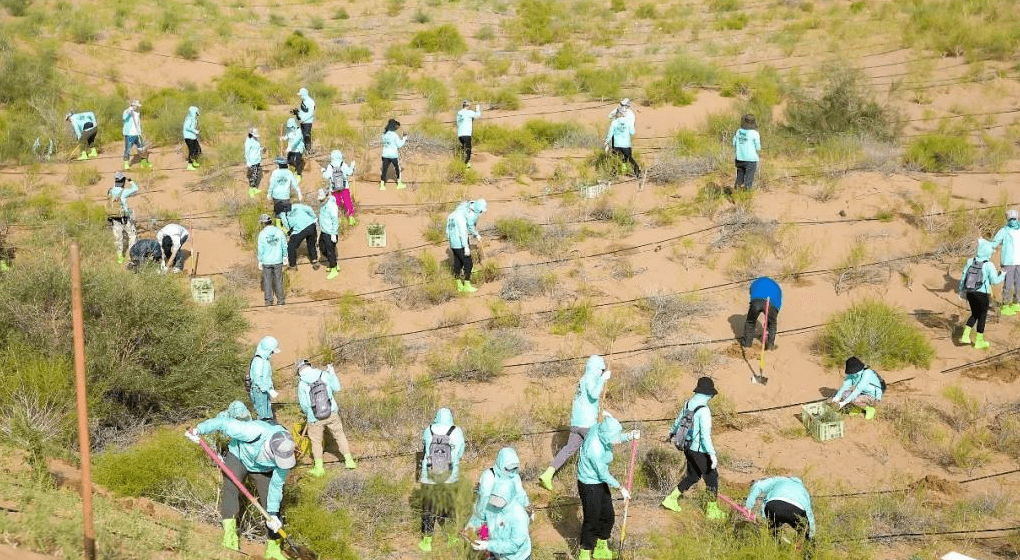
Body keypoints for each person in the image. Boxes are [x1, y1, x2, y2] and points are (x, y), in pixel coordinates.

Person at [186, 417, 295, 560]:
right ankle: (230, 535)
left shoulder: (285, 457)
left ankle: (273, 548)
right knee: (231, 488)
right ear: (271, 450)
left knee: (272, 504)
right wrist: (199, 430)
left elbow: (276, 486)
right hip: (239, 457)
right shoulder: (253, 431)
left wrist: (273, 514)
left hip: (262, 468)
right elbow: (223, 422)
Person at [538, 355, 610, 491]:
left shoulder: (583, 380)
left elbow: (588, 401)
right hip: (587, 424)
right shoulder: (590, 379)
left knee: (568, 450)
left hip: (577, 423)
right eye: (601, 370)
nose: (602, 372)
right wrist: (602, 380)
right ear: (596, 369)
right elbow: (594, 395)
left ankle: (548, 474)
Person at [576, 413, 639, 560]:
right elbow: (603, 474)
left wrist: (629, 436)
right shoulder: (595, 449)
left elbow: (613, 436)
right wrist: (621, 488)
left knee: (608, 515)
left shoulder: (600, 429)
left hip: (599, 481)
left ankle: (601, 549)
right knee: (592, 519)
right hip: (589, 484)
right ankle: (585, 552)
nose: (615, 441)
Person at [661, 377, 725, 520]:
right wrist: (712, 455)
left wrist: (671, 434)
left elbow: (678, 422)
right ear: (709, 394)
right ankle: (712, 511)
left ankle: (670, 499)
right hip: (699, 450)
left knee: (693, 476)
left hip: (687, 447)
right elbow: (705, 437)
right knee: (712, 478)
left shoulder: (688, 403)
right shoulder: (704, 410)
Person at [296, 358, 357, 476]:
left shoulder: (302, 384)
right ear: (310, 366)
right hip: (331, 412)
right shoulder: (323, 374)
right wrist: (332, 373)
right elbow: (337, 388)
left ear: (299, 371)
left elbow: (304, 405)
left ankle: (319, 468)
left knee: (316, 442)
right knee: (340, 436)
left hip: (314, 418)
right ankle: (349, 461)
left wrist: (309, 414)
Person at [418, 407, 465, 552]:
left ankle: (427, 541)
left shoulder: (429, 429)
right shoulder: (457, 431)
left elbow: (424, 448)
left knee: (428, 508)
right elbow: (461, 452)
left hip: (429, 475)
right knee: (449, 507)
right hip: (449, 476)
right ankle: (451, 538)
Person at [466, 447, 529, 536]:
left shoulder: (514, 476)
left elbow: (520, 494)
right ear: (501, 463)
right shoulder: (489, 476)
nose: (510, 472)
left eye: (514, 468)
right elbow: (484, 501)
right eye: (508, 468)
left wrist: (526, 507)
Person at [958, 238, 1006, 349]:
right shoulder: (989, 265)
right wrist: (1002, 274)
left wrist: (961, 290)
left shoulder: (970, 261)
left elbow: (964, 276)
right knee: (982, 316)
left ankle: (965, 336)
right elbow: (995, 281)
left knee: (975, 313)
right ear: (988, 251)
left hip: (970, 292)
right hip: (982, 294)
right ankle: (979, 341)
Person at [470, 479, 532, 560]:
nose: (495, 502)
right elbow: (480, 516)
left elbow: (514, 545)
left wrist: (488, 545)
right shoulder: (489, 502)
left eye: (500, 499)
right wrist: (471, 527)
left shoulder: (519, 516)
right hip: (496, 552)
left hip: (516, 557)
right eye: (494, 497)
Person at [744, 476, 815, 542]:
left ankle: (776, 547)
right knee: (804, 534)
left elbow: (757, 485)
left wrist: (748, 507)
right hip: (796, 509)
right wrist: (811, 534)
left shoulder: (779, 480)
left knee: (774, 532)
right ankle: (802, 551)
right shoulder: (803, 490)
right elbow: (809, 513)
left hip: (774, 505)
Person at [445, 198, 487, 294]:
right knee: (468, 263)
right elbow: (463, 232)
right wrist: (466, 247)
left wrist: (451, 243)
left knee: (457, 263)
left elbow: (447, 232)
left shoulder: (451, 215)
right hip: (460, 244)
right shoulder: (460, 218)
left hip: (453, 244)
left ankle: (458, 284)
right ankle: (467, 285)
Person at [991, 209, 1020, 316]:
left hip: (1019, 261)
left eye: (1014, 218)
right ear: (1007, 219)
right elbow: (994, 243)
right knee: (1008, 284)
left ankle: (1016, 302)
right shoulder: (1003, 231)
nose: (1013, 220)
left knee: (1019, 283)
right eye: (1011, 218)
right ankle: (1005, 305)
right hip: (1008, 261)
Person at [107, 171, 138, 264]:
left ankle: (120, 257)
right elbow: (136, 189)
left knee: (118, 239)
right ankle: (131, 255)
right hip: (125, 218)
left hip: (114, 219)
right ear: (123, 181)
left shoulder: (110, 192)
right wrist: (131, 181)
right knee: (132, 236)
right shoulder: (124, 192)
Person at [742, 276, 781, 350]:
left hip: (756, 301)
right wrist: (772, 317)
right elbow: (778, 305)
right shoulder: (776, 286)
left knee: (750, 322)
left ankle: (747, 344)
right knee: (772, 325)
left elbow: (751, 293)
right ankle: (770, 346)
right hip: (771, 304)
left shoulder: (756, 281)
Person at [247, 336, 281, 421]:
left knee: (268, 415)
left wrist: (270, 389)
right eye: (272, 351)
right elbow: (257, 379)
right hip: (259, 391)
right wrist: (268, 390)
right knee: (262, 416)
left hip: (264, 391)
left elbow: (267, 377)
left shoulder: (265, 360)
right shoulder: (258, 360)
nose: (272, 353)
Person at [257, 214, 287, 306]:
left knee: (267, 281)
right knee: (278, 280)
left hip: (266, 261)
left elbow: (260, 249)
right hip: (278, 260)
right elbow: (284, 245)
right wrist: (285, 256)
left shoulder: (262, 234)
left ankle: (268, 301)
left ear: (263, 223)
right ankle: (280, 300)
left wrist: (260, 260)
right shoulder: (279, 232)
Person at [321, 149, 357, 226]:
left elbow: (326, 176)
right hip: (344, 187)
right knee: (347, 201)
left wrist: (323, 171)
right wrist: (352, 165)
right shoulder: (343, 164)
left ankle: (339, 219)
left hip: (334, 188)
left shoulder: (330, 166)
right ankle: (351, 218)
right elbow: (349, 173)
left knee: (337, 203)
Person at [281, 202, 318, 271]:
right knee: (311, 244)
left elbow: (285, 223)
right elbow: (309, 209)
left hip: (298, 230)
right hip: (311, 225)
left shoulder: (283, 213)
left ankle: (293, 266)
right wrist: (314, 218)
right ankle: (315, 261)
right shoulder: (297, 206)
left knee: (291, 246)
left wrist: (290, 231)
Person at [604, 110, 640, 177]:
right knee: (629, 158)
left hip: (617, 144)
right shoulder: (628, 122)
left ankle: (615, 173)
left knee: (616, 159)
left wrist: (606, 142)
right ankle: (636, 171)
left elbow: (610, 134)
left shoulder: (614, 122)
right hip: (626, 145)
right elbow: (632, 132)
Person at [267, 156, 301, 224]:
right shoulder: (289, 172)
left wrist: (269, 194)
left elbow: (272, 185)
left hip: (276, 197)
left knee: (278, 214)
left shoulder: (275, 173)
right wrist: (299, 193)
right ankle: (287, 228)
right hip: (286, 196)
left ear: (278, 165)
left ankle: (280, 227)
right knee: (287, 214)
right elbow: (295, 183)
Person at [732, 113, 761, 190]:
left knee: (739, 178)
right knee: (748, 181)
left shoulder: (738, 131)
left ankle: (736, 194)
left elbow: (734, 143)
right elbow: (758, 147)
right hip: (751, 159)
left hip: (739, 158)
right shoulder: (755, 133)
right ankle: (747, 197)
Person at [316, 190, 340, 280]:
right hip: (324, 231)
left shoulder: (332, 206)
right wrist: (318, 219)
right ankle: (333, 262)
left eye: (322, 199)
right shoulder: (323, 204)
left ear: (327, 197)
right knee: (322, 247)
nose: (320, 201)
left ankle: (334, 269)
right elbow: (322, 214)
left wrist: (334, 233)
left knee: (330, 251)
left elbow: (335, 221)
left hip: (330, 233)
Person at [122, 99, 151, 170]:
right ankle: (126, 163)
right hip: (130, 135)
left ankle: (143, 163)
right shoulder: (127, 111)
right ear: (133, 105)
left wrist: (140, 131)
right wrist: (129, 111)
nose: (138, 107)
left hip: (137, 134)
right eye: (137, 106)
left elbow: (138, 123)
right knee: (128, 149)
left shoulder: (137, 113)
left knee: (142, 148)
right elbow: (124, 118)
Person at [380, 118, 407, 190]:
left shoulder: (384, 134)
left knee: (384, 170)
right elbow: (399, 145)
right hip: (393, 155)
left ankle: (382, 186)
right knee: (397, 169)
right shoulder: (394, 135)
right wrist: (404, 138)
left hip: (385, 154)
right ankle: (399, 184)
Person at [456, 100, 482, 167]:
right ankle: (466, 165)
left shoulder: (459, 113)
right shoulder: (469, 112)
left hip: (460, 134)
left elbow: (458, 123)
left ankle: (462, 162)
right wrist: (478, 108)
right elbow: (478, 116)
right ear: (467, 106)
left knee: (463, 149)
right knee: (468, 149)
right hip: (467, 134)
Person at [295, 88, 316, 154]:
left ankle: (308, 150)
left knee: (306, 135)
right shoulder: (303, 101)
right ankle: (304, 150)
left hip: (307, 122)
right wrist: (297, 113)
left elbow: (310, 113)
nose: (300, 96)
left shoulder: (311, 102)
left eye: (301, 95)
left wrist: (303, 119)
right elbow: (303, 110)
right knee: (302, 136)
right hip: (302, 122)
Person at [245, 128, 264, 198]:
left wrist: (261, 149)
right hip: (252, 161)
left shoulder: (256, 139)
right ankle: (251, 191)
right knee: (252, 177)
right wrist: (248, 162)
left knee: (256, 175)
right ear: (251, 134)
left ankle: (255, 188)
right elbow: (247, 152)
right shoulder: (248, 141)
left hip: (257, 160)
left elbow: (258, 148)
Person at [182, 105, 201, 170]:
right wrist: (195, 131)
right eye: (196, 112)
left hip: (193, 137)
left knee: (197, 149)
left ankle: (194, 161)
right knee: (191, 150)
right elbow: (187, 127)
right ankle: (189, 165)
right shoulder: (189, 119)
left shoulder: (194, 119)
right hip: (188, 137)